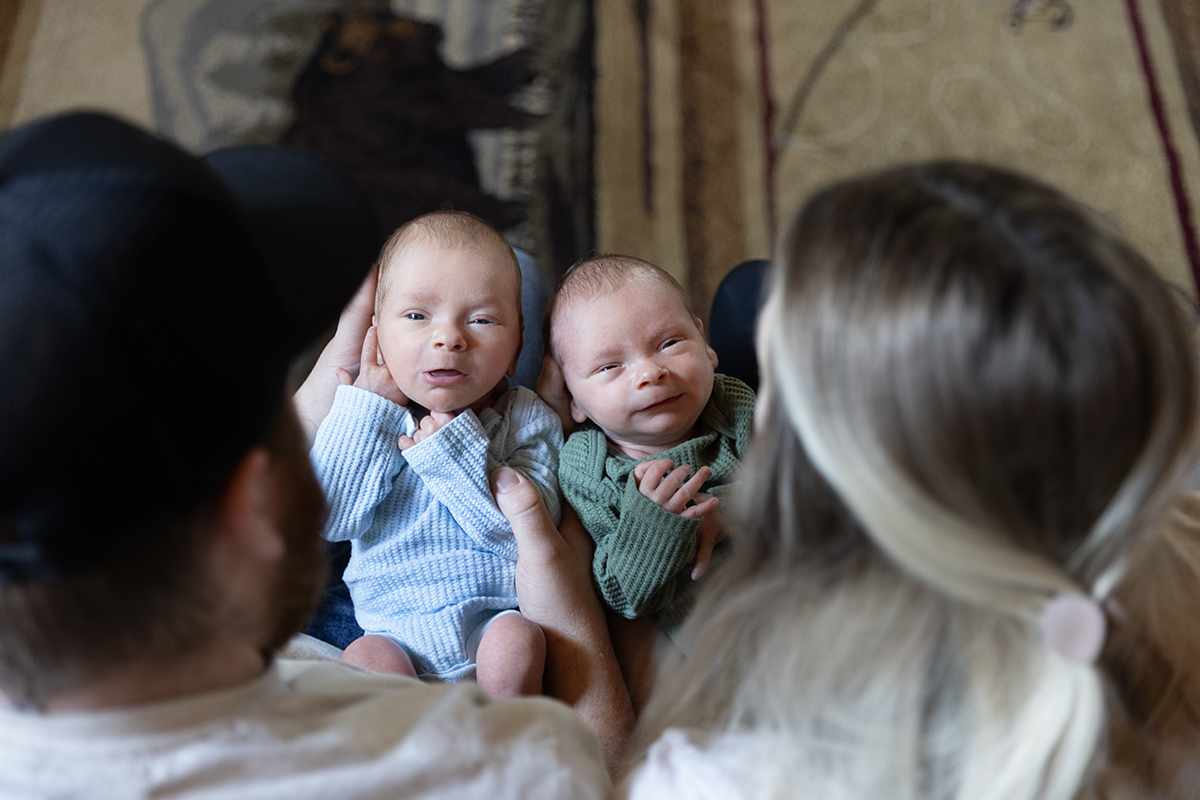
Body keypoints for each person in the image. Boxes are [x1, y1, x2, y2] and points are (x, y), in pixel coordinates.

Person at [0, 110, 631, 796]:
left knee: (506, 273)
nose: (448, 338)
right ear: (254, 507)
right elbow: (604, 765)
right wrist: (561, 558)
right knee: (524, 272)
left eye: (479, 323)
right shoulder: (529, 764)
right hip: (431, 623)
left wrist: (331, 391)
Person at [616, 161, 1200, 798]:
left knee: (745, 290)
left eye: (773, 376)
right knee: (749, 288)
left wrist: (565, 546)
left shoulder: (717, 772)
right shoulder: (1176, 534)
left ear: (816, 478)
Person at [311, 211, 560, 696]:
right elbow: (330, 519)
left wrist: (453, 455)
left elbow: (529, 538)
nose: (449, 338)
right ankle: (414, 733)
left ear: (517, 348)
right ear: (376, 336)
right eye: (416, 317)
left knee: (517, 642)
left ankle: (505, 724)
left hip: (491, 621)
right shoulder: (365, 414)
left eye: (481, 319)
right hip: (392, 634)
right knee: (362, 659)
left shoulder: (526, 417)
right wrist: (369, 410)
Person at [539, 256, 756, 641]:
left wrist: (727, 512)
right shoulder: (588, 467)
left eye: (669, 344)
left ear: (705, 346)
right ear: (573, 399)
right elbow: (623, 595)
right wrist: (656, 526)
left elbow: (804, 485)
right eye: (609, 367)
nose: (650, 373)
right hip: (729, 644)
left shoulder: (733, 404)